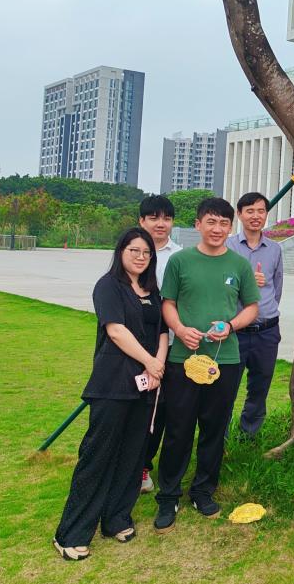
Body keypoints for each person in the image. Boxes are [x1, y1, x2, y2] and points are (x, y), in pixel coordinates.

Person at [53, 228, 167, 561]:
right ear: (121, 252)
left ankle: (116, 518)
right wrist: (149, 362)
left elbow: (162, 331)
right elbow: (116, 331)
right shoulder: (108, 286)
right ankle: (70, 533)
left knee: (133, 454)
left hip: (146, 385)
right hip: (113, 383)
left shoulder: (152, 291)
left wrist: (157, 366)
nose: (141, 257)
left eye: (146, 253)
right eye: (134, 250)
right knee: (98, 455)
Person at [153, 198, 260, 532]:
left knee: (214, 428)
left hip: (225, 360)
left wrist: (231, 326)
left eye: (224, 223)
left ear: (231, 227)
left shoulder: (239, 265)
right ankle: (168, 495)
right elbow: (168, 303)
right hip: (183, 359)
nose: (217, 229)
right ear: (198, 224)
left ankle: (203, 491)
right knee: (178, 429)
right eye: (211, 222)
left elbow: (252, 307)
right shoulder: (180, 261)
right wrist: (180, 329)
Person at [227, 191, 284, 439]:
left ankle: (248, 435)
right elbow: (220, 284)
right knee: (226, 386)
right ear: (239, 214)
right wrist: (246, 282)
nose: (255, 216)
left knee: (260, 387)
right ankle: (220, 437)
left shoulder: (275, 249)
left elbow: (277, 287)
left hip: (266, 330)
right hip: (235, 330)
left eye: (261, 211)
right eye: (249, 211)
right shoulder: (227, 247)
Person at [138, 194, 181, 494]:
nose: (160, 224)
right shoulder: (131, 251)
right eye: (153, 218)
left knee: (160, 407)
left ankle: (144, 466)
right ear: (141, 221)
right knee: (133, 405)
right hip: (135, 343)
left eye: (166, 218)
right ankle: (125, 461)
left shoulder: (179, 256)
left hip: (170, 344)